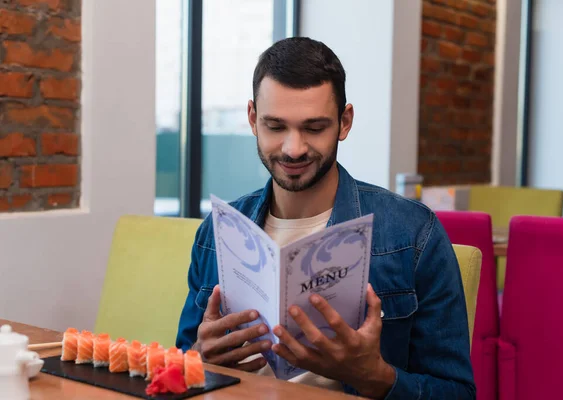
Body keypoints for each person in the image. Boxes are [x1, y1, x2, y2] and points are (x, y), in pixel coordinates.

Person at [176, 37, 475, 399]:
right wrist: (198, 359)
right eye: (275, 126)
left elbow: (456, 392)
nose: (293, 148)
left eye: (314, 128)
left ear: (344, 122)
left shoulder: (413, 234)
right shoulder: (217, 232)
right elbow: (178, 371)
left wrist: (374, 377)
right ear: (253, 119)